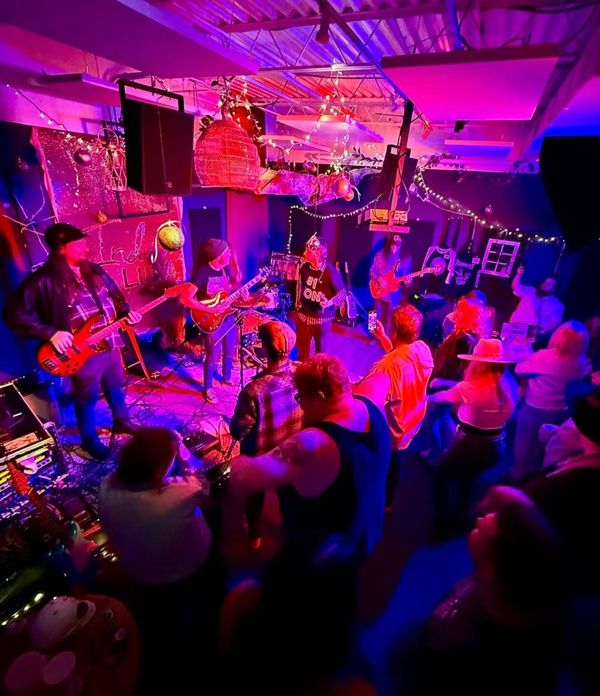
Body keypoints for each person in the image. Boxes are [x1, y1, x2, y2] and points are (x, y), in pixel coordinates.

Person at [229, 354, 391, 561]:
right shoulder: (371, 400)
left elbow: (242, 477)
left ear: (320, 396)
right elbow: (382, 378)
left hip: (323, 555)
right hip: (368, 530)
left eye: (300, 397)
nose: (300, 404)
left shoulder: (313, 443)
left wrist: (237, 461)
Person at [99, 426, 225, 692]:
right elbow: (204, 486)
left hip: (141, 576)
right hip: (190, 571)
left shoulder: (106, 488)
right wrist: (184, 455)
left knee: (159, 621)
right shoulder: (181, 492)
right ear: (159, 471)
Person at [3, 223, 141, 460]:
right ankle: (89, 440)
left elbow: (117, 298)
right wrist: (50, 333)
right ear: (61, 249)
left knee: (115, 384)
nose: (84, 246)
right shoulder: (44, 280)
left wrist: (127, 313)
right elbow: (13, 313)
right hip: (82, 350)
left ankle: (122, 421)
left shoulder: (93, 270)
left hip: (109, 341)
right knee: (87, 397)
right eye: (77, 244)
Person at [419, 503, 567, 696]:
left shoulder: (467, 651)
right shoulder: (502, 590)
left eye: (480, 530)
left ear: (494, 567)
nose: (480, 519)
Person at [428, 338, 519, 537]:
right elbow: (469, 388)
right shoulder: (508, 384)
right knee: (466, 481)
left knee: (442, 473)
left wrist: (424, 397)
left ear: (479, 362)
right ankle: (461, 522)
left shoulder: (471, 387)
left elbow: (442, 397)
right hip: (496, 445)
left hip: (470, 444)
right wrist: (445, 383)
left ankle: (439, 523)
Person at [230, 321, 303, 549]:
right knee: (287, 493)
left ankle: (254, 535)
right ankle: (291, 531)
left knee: (256, 493)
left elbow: (239, 429)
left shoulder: (254, 390)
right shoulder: (301, 372)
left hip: (262, 456)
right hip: (291, 448)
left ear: (264, 348)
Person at [364, 305, 434, 508]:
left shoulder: (384, 367)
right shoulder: (423, 349)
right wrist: (382, 337)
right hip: (413, 419)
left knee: (387, 468)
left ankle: (384, 505)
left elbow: (369, 398)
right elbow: (402, 358)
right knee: (397, 462)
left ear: (394, 330)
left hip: (393, 429)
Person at [511, 320, 591, 481]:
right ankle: (540, 480)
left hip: (535, 411)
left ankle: (517, 481)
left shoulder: (543, 356)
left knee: (524, 450)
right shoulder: (583, 363)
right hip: (564, 414)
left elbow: (519, 370)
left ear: (558, 337)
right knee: (548, 452)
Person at [185, 238, 248, 403]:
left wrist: (240, 294)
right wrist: (209, 309)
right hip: (211, 320)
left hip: (227, 317)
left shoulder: (223, 271)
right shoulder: (203, 272)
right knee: (212, 354)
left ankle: (226, 377)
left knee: (229, 349)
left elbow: (225, 294)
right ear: (218, 255)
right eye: (227, 252)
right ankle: (208, 388)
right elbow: (185, 298)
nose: (229, 254)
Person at [295, 236, 345, 361]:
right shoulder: (304, 268)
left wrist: (329, 303)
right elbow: (301, 287)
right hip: (303, 317)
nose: (304, 253)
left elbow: (342, 293)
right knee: (302, 352)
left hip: (321, 320)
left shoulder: (330, 271)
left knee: (320, 356)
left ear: (317, 253)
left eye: (308, 251)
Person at [510, 265, 564, 348]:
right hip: (516, 326)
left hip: (534, 335)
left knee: (525, 353)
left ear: (554, 289)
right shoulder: (530, 291)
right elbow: (516, 287)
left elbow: (554, 322)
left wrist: (541, 332)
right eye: (545, 282)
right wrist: (518, 275)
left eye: (549, 284)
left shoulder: (557, 305)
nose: (545, 285)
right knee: (508, 349)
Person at [369, 234, 412, 335]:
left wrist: (408, 282)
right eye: (392, 245)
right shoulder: (380, 255)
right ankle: (371, 334)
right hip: (378, 289)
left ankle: (385, 338)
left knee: (390, 318)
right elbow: (372, 271)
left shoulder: (406, 259)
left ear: (402, 246)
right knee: (373, 312)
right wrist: (378, 278)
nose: (394, 248)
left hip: (394, 293)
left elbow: (408, 282)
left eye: (397, 246)